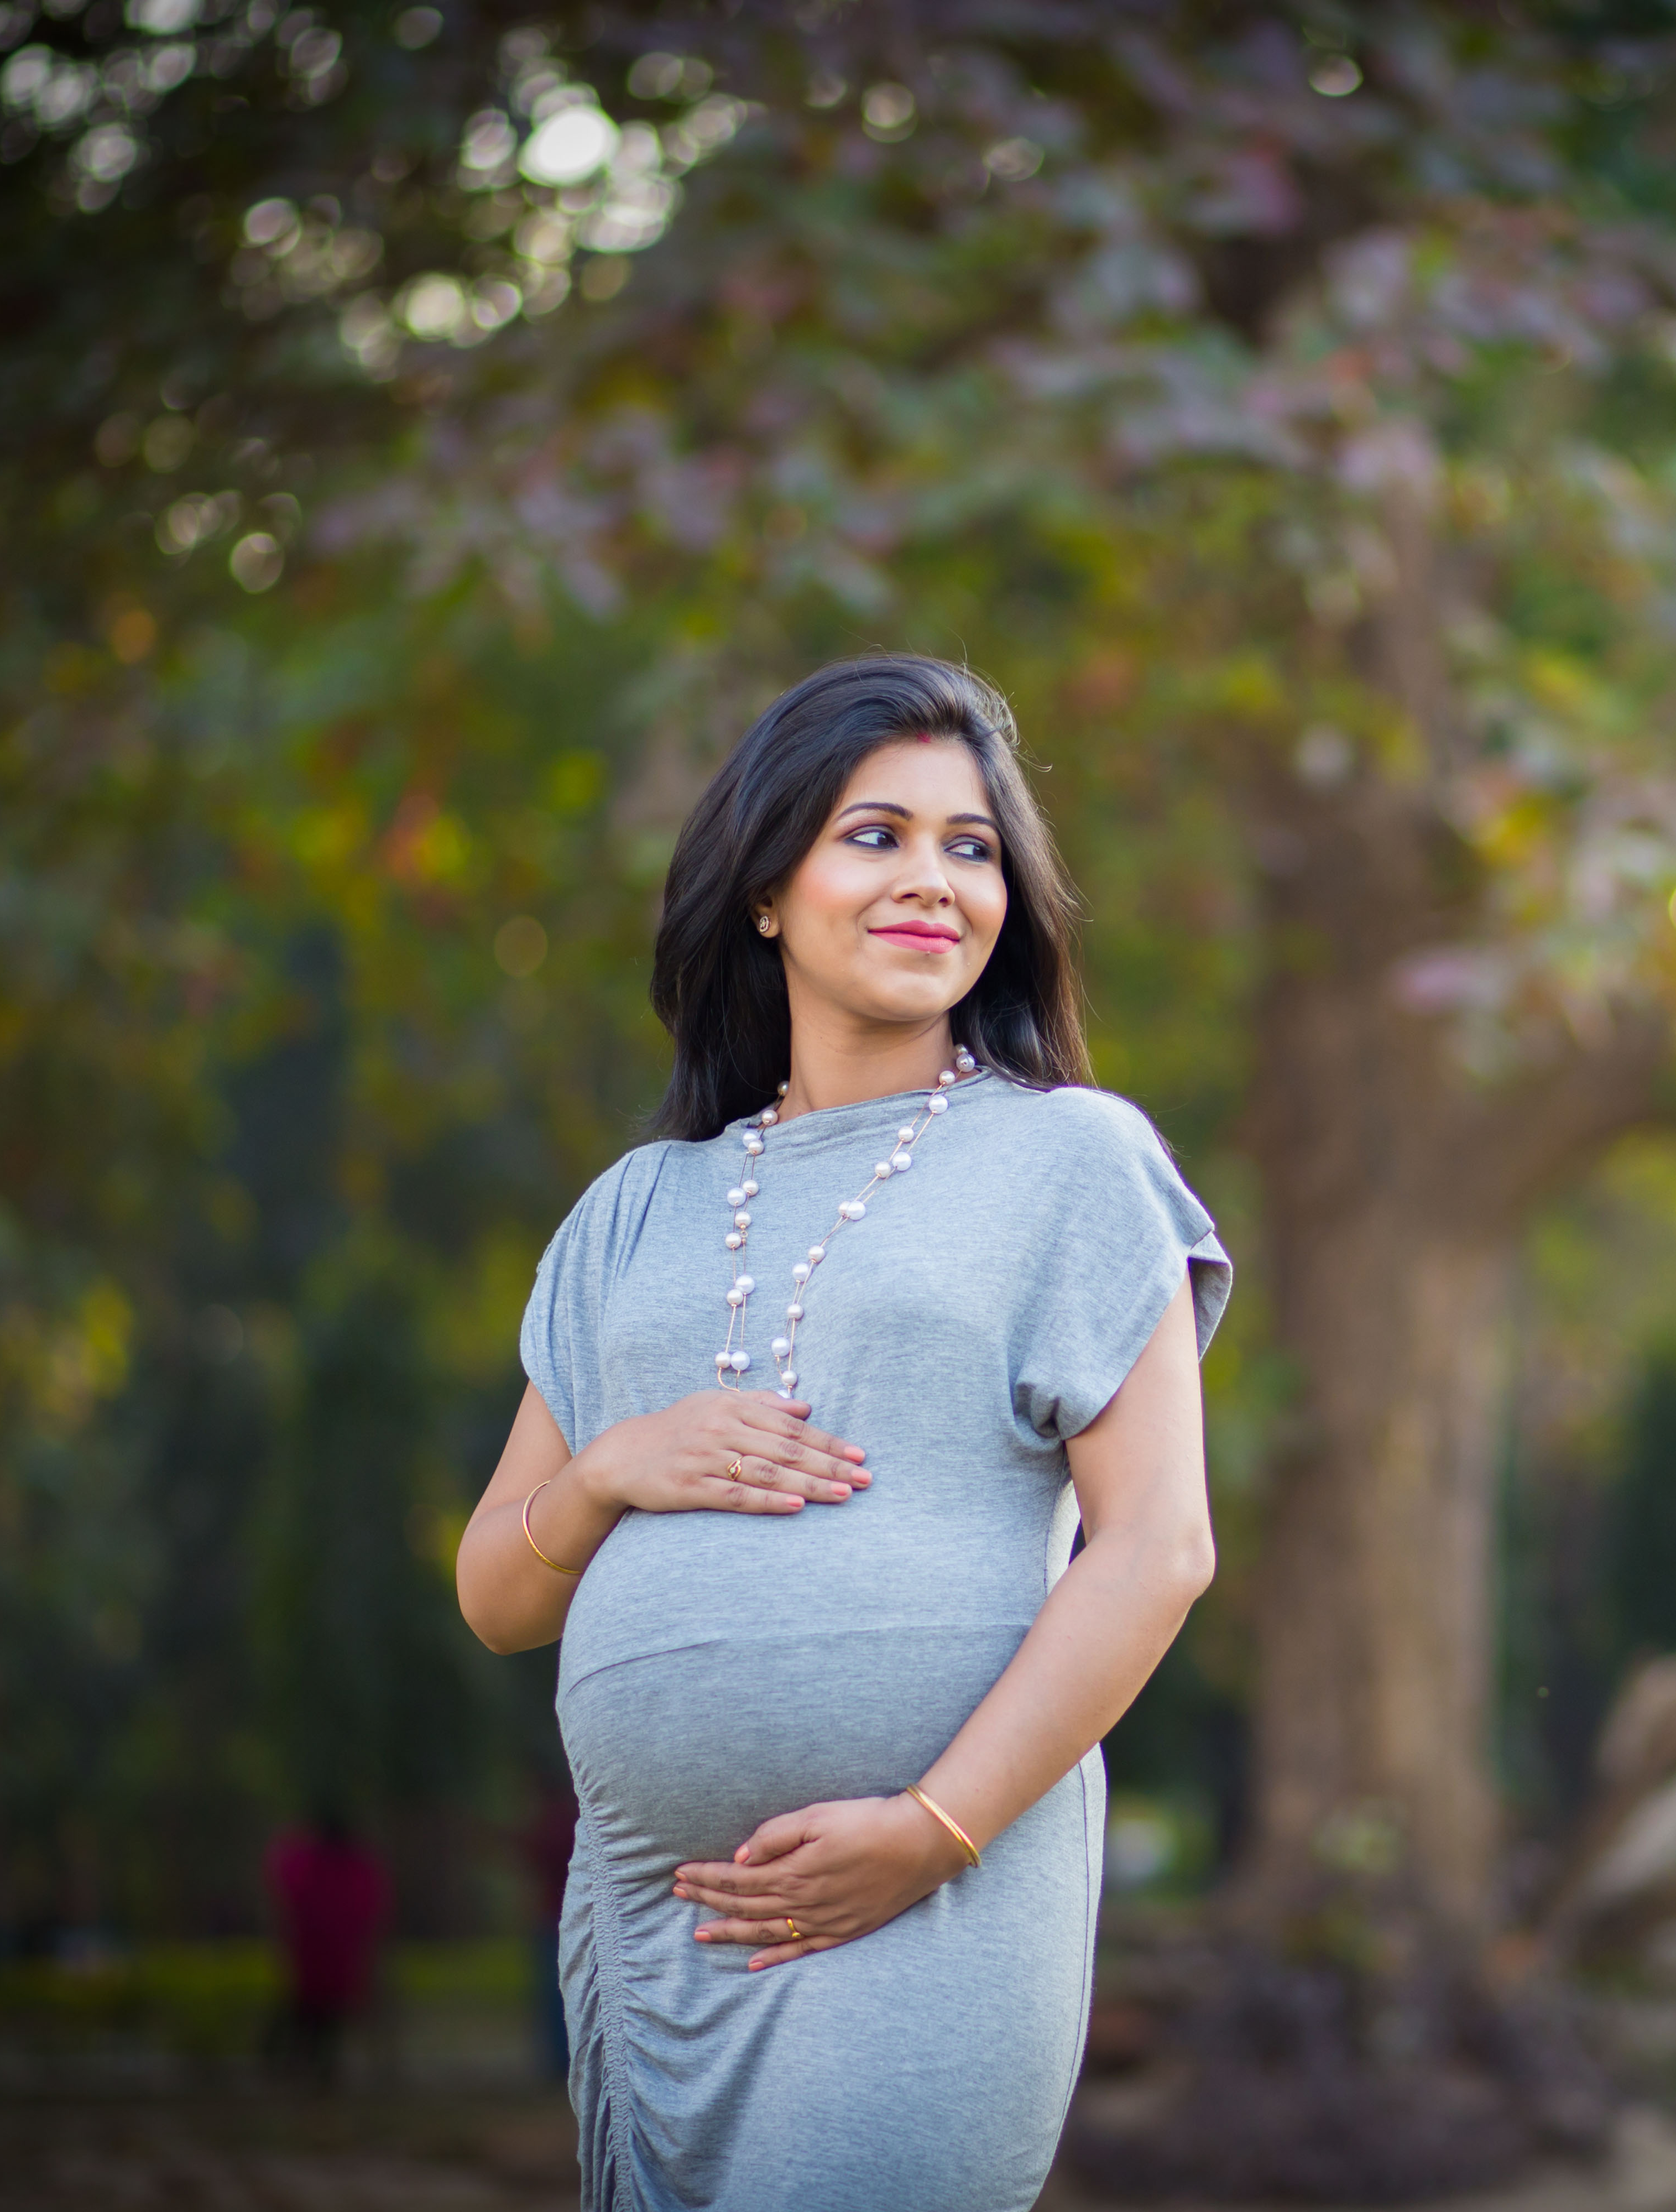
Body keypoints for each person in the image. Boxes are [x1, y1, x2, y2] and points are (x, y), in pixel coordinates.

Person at [454, 656, 1226, 2212]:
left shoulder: (1074, 1161)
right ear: (763, 888)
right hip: (656, 1926)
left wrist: (931, 1832)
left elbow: (1158, 1549)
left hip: (936, 1904)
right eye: (877, 836)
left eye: (973, 845)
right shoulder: (634, 1213)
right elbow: (496, 1597)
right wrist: (610, 1471)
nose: (934, 879)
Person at [264, 1810, 391, 2084]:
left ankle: (302, 2067)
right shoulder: (355, 1867)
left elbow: (282, 1880)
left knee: (311, 2015)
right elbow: (374, 1907)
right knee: (322, 2017)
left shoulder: (308, 1863)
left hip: (314, 1958)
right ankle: (313, 2069)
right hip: (336, 1959)